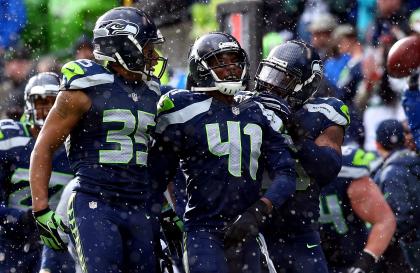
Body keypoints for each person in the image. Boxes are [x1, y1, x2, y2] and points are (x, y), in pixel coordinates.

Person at [29, 7, 167, 273]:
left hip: (138, 203)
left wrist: (166, 207)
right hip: (95, 202)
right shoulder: (85, 86)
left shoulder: (152, 91)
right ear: (124, 48)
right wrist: (41, 210)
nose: (154, 57)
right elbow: (44, 147)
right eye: (148, 49)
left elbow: (159, 156)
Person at [149, 32, 296, 273]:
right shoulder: (183, 108)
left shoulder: (255, 111)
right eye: (220, 62)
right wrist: (157, 224)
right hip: (202, 229)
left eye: (234, 60)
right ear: (201, 67)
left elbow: (287, 172)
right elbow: (156, 179)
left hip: (248, 228)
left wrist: (259, 210)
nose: (231, 69)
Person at [253, 40, 349, 273]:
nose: (269, 85)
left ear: (305, 85)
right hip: (253, 225)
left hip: (299, 231)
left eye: (282, 79)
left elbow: (326, 167)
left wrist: (295, 134)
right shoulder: (247, 105)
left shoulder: (323, 112)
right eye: (269, 74)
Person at [0, 72, 74, 272]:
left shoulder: (76, 144)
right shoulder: (9, 138)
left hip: (58, 239)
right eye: (41, 102)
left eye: (54, 102)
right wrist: (17, 218)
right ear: (28, 105)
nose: (48, 109)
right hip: (10, 238)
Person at [319, 145, 396, 273]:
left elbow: (384, 220)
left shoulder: (345, 165)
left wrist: (365, 260)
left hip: (349, 259)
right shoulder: (282, 162)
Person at [373, 119, 420, 272]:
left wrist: (380, 237)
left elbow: (402, 217)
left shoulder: (391, 173)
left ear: (377, 144)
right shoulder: (414, 159)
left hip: (411, 249)